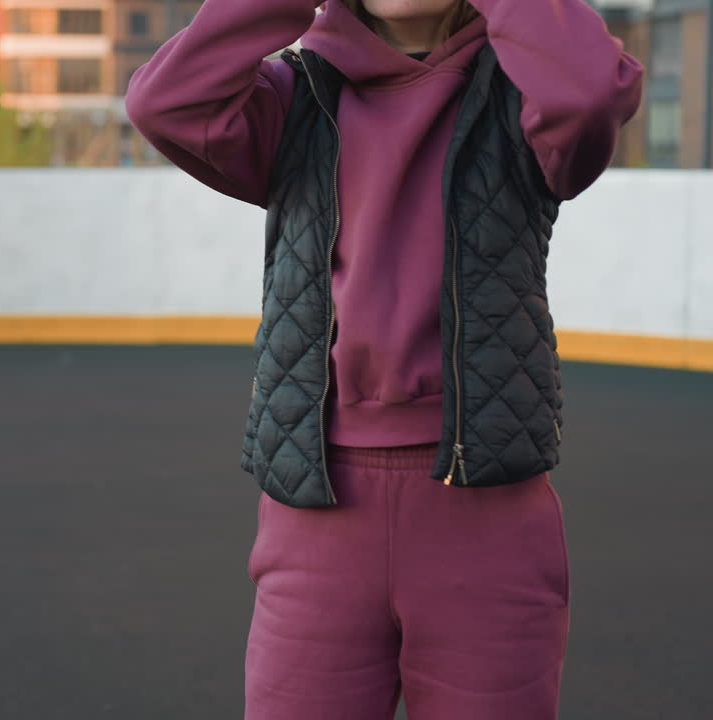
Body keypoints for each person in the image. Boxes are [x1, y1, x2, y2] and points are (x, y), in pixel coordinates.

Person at [125, 1, 643, 719]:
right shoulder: (290, 96)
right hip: (315, 516)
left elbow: (588, 97)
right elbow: (166, 102)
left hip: (488, 525)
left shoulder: (525, 93)